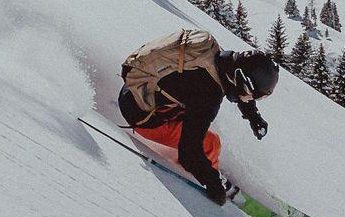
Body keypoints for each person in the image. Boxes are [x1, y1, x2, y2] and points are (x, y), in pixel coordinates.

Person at [118, 28, 279, 204]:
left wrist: (253, 116)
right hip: (142, 117)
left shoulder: (212, 55)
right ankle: (203, 176)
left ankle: (206, 167)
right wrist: (212, 182)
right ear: (242, 83)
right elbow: (188, 152)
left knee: (198, 123)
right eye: (252, 95)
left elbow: (236, 84)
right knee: (211, 143)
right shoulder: (208, 95)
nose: (250, 99)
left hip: (137, 89)